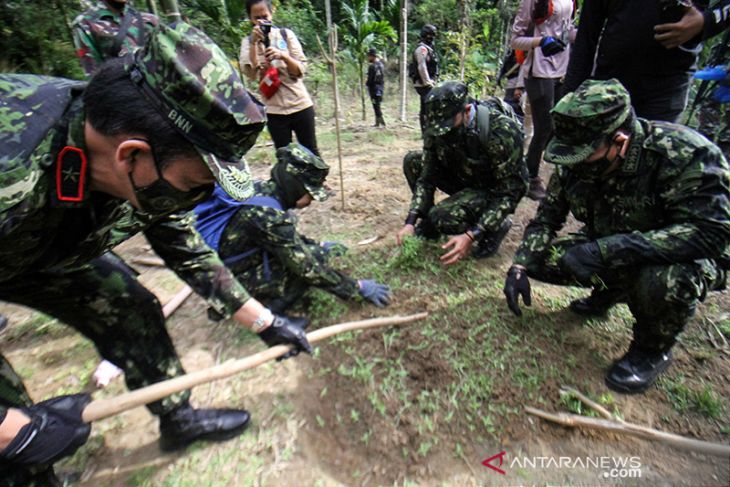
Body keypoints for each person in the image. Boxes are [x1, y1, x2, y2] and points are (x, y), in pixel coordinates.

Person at [0, 22, 313, 485]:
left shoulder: (145, 148)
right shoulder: (11, 173)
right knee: (21, 435)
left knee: (131, 306)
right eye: (194, 186)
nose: (196, 199)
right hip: (19, 229)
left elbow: (185, 247)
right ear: (130, 156)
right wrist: (8, 431)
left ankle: (177, 417)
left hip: (39, 249)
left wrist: (265, 322)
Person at [504, 79, 730, 394]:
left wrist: (610, 249)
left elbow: (711, 235)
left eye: (586, 155)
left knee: (660, 280)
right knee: (541, 259)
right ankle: (610, 291)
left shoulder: (684, 154)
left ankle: (652, 350)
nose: (577, 165)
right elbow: (546, 218)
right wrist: (520, 266)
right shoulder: (578, 158)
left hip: (682, 256)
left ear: (620, 141)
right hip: (609, 240)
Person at [194, 143, 391, 314]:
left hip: (228, 265)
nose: (312, 200)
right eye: (310, 194)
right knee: (303, 270)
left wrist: (318, 245)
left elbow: (285, 239)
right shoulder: (267, 216)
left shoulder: (264, 191)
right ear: (295, 187)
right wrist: (357, 288)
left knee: (314, 252)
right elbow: (308, 269)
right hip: (225, 281)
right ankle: (268, 311)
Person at [395, 82, 527, 264]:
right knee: (413, 161)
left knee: (441, 216)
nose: (442, 134)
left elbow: (510, 192)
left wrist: (473, 234)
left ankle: (495, 226)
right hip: (465, 173)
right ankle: (429, 226)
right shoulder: (437, 126)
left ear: (466, 110)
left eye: (449, 126)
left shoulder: (501, 131)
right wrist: (410, 221)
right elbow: (426, 177)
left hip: (491, 188)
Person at [563, 0, 723, 123]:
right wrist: (568, 103)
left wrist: (706, 21)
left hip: (666, 87)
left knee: (651, 158)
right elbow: (586, 39)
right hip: (610, 86)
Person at [511, 0, 576, 201]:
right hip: (539, 70)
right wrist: (540, 41)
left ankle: (553, 172)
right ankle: (531, 178)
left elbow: (567, 27)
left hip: (563, 69)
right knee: (544, 127)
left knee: (560, 125)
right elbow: (515, 40)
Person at [239, 0, 319, 155]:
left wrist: (284, 56)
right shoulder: (247, 43)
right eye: (257, 18)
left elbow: (300, 70)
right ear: (250, 18)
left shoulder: (285, 35)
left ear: (272, 13)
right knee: (284, 156)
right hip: (274, 110)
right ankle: (293, 181)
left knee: (311, 152)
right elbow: (251, 74)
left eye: (265, 16)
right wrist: (254, 44)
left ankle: (316, 180)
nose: (262, 21)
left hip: (300, 104)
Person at [72, 0, 159, 78]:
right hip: (119, 90)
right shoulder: (85, 23)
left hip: (155, 89)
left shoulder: (150, 20)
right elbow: (93, 75)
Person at [411, 24, 439, 133]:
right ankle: (426, 131)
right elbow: (421, 66)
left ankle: (427, 131)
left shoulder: (429, 48)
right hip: (423, 84)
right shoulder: (422, 49)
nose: (432, 38)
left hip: (427, 83)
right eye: (431, 35)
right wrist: (428, 82)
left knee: (425, 107)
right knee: (428, 109)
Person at [366, 47, 386, 128]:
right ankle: (377, 123)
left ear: (372, 56)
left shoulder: (372, 66)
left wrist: (367, 83)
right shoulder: (381, 65)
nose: (368, 58)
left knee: (376, 106)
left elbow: (370, 80)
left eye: (369, 56)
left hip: (374, 89)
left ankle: (382, 123)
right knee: (377, 105)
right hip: (380, 88)